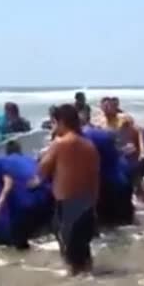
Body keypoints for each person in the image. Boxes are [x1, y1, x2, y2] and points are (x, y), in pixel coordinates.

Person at [35, 104, 100, 276]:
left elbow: (42, 170)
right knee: (83, 251)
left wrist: (47, 148)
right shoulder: (89, 145)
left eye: (53, 123)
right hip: (87, 201)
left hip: (67, 203)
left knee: (69, 254)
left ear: (60, 122)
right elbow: (95, 177)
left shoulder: (60, 143)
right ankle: (91, 285)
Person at [82, 125, 134, 226]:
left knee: (107, 229)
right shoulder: (121, 160)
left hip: (107, 190)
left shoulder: (86, 138)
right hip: (123, 188)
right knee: (125, 227)